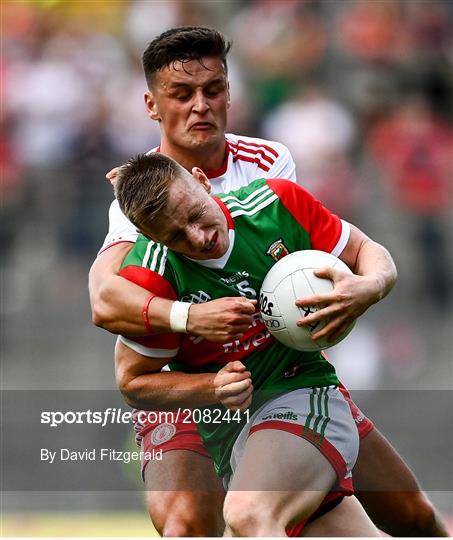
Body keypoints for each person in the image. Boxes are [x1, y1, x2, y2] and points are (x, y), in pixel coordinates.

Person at [88, 26, 448, 537]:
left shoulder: (268, 168)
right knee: (189, 522)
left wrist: (359, 291)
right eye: (182, 94)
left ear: (229, 92)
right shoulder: (141, 209)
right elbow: (106, 301)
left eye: (212, 90)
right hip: (190, 381)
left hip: (278, 367)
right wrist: (191, 317)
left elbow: (293, 272)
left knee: (406, 513)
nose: (200, 106)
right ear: (151, 104)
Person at [112, 151, 395, 536]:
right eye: (176, 235)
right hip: (234, 438)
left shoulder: (276, 205)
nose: (199, 237)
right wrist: (210, 387)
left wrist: (368, 286)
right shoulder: (152, 277)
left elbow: (369, 253)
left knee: (248, 514)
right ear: (151, 237)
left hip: (302, 393)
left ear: (202, 180)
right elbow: (132, 383)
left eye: (196, 214)